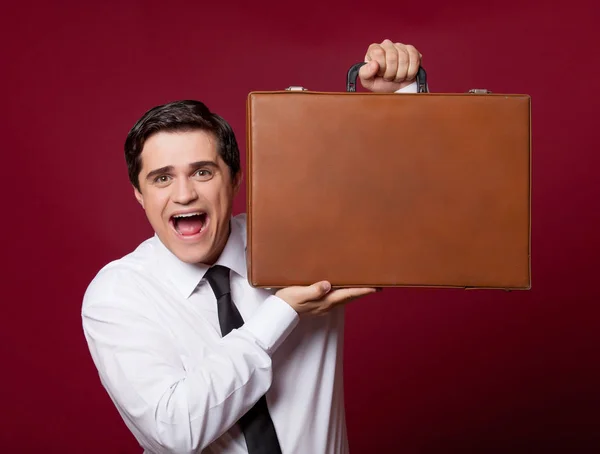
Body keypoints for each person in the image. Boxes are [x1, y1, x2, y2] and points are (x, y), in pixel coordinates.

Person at [82, 39, 423, 454]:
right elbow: (174, 431)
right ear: (139, 193)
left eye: (203, 172)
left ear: (235, 178)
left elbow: (404, 217)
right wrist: (282, 313)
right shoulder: (117, 295)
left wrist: (397, 102)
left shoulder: (303, 240)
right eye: (162, 178)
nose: (184, 194)